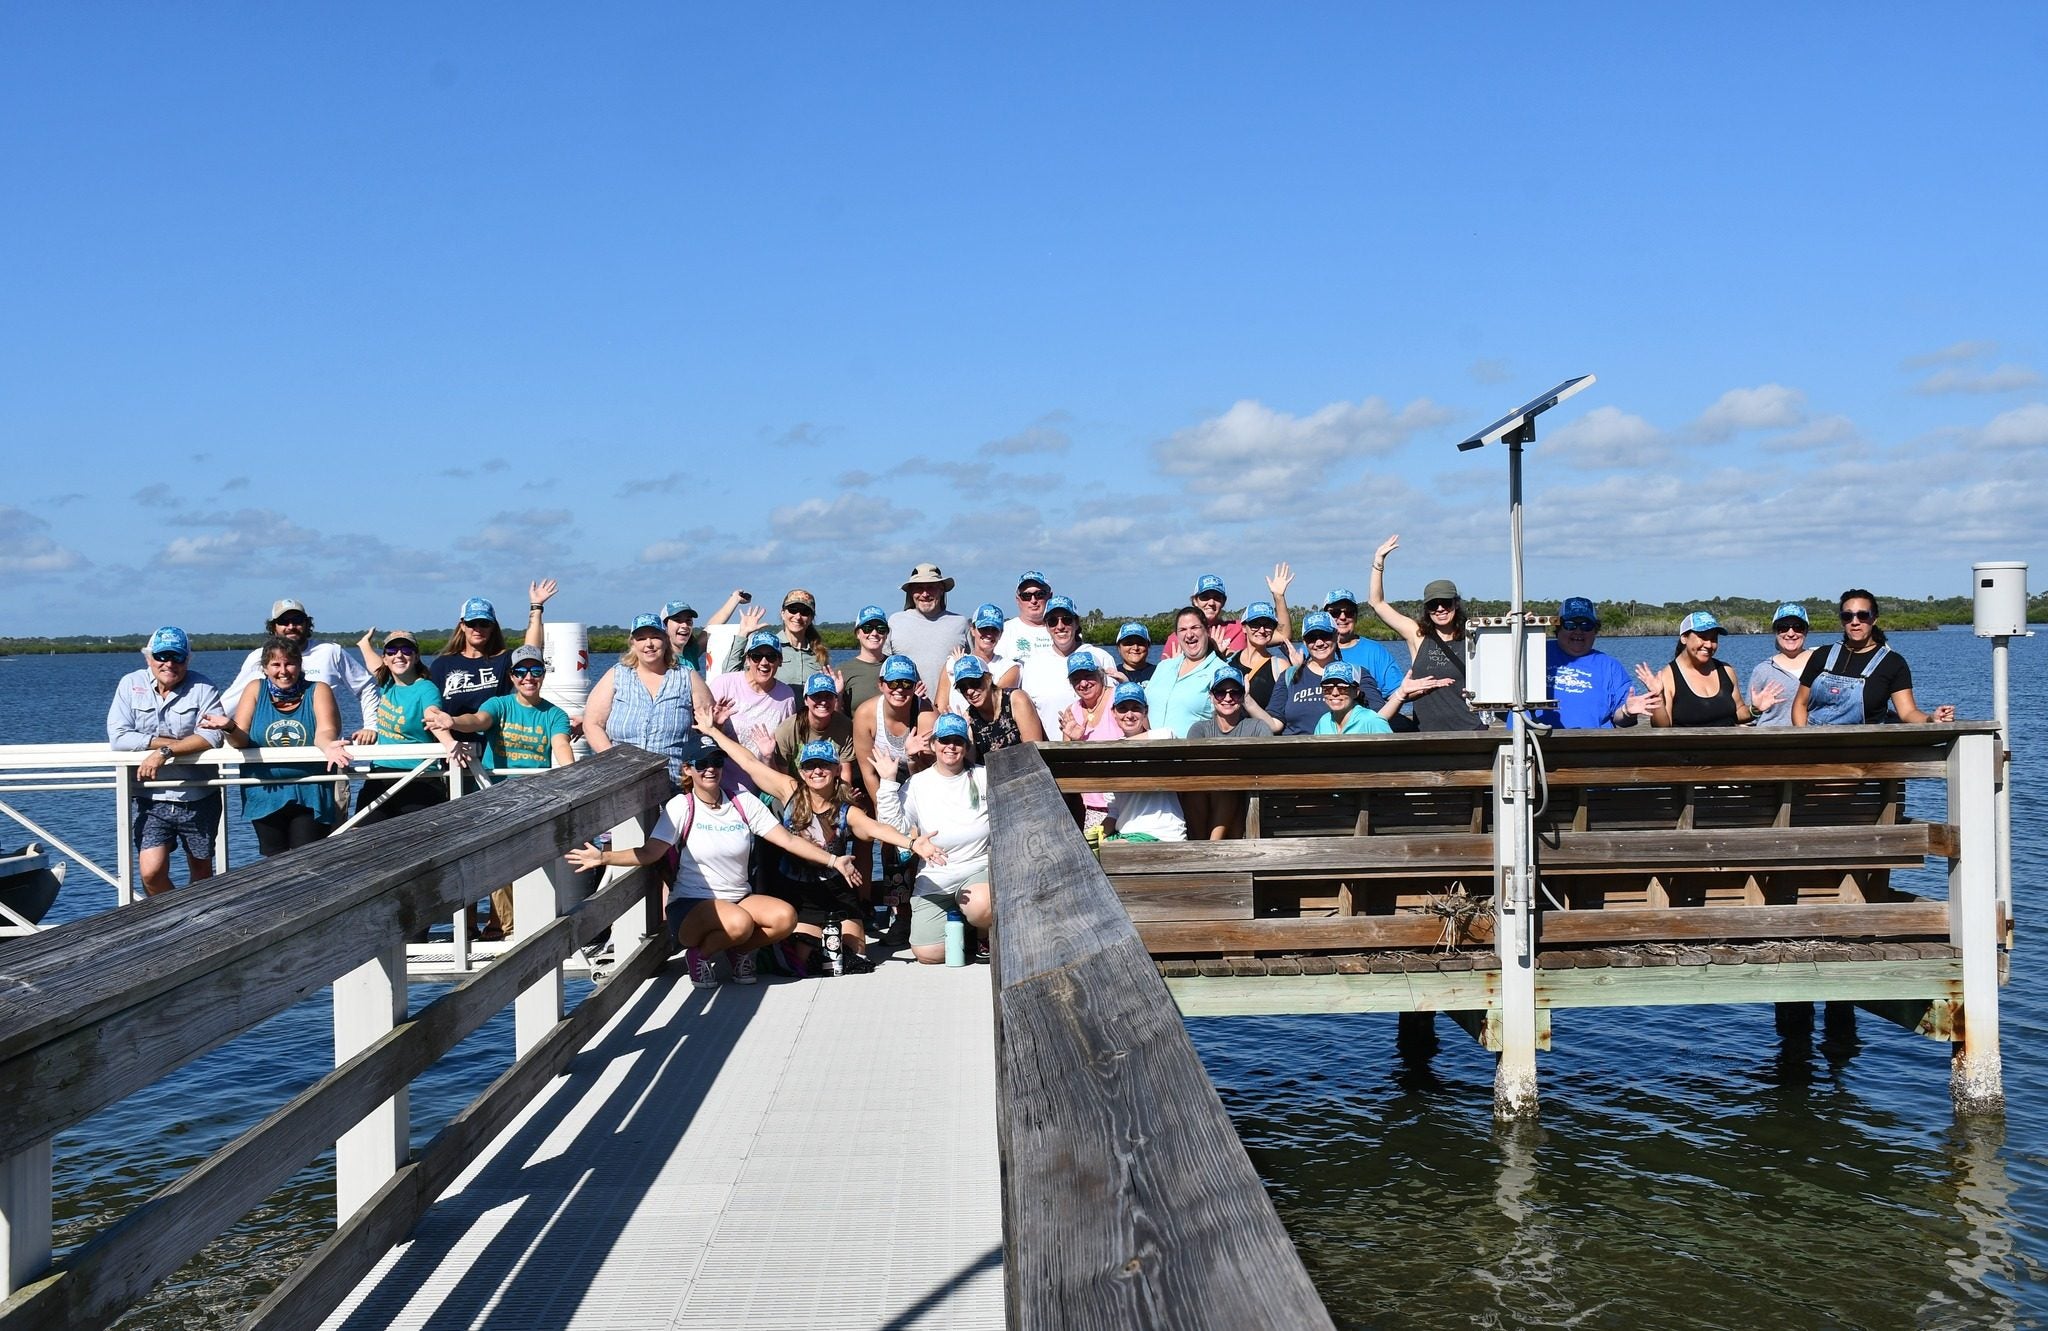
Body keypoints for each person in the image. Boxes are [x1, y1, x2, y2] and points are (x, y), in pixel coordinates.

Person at [566, 735, 857, 988]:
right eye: (702, 763)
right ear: (687, 769)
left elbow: (789, 840)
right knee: (740, 923)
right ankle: (699, 956)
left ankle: (738, 952)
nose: (710, 770)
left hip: (738, 900)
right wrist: (604, 857)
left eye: (716, 762)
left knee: (785, 918)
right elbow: (651, 852)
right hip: (692, 905)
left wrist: (834, 860)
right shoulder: (681, 806)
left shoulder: (742, 802)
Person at [698, 726, 944, 975]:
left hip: (835, 890)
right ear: (802, 772)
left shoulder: (847, 811)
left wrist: (912, 843)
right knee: (808, 956)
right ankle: (774, 952)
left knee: (853, 952)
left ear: (837, 770)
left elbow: (876, 828)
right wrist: (713, 731)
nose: (817, 771)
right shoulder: (790, 791)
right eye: (810, 766)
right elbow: (749, 763)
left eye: (824, 765)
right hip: (798, 891)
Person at [432, 644, 574, 939]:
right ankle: (503, 928)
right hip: (495, 800)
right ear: (512, 676)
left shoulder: (555, 714)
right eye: (521, 672)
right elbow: (478, 721)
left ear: (543, 675)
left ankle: (517, 926)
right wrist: (453, 721)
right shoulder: (498, 705)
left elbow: (561, 745)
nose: (528, 677)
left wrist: (573, 777)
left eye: (535, 671)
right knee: (494, 864)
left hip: (535, 801)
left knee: (530, 864)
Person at [108, 627, 227, 895]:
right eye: (162, 656)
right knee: (150, 872)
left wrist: (164, 753)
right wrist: (172, 743)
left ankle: (198, 924)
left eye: (177, 657)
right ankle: (177, 918)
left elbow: (213, 737)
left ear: (188, 659)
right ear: (148, 657)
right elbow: (118, 737)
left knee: (202, 871)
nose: (169, 664)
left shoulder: (203, 687)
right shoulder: (130, 684)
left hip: (199, 794)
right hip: (150, 796)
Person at [874, 713, 993, 964]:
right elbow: (893, 827)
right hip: (935, 880)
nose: (951, 746)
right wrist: (887, 781)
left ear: (966, 747)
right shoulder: (918, 783)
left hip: (976, 871)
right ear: (933, 744)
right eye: (944, 740)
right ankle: (963, 925)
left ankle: (983, 932)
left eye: (958, 741)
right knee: (928, 954)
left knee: (981, 905)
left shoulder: (985, 777)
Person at [221, 635, 350, 856]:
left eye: (290, 663)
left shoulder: (318, 690)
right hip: (264, 791)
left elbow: (325, 730)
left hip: (309, 789)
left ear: (300, 665)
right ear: (265, 668)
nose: (283, 670)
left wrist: (329, 746)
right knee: (274, 861)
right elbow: (240, 739)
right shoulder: (254, 689)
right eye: (276, 664)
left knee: (306, 857)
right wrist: (229, 728)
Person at [1367, 536, 1483, 731]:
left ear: (1456, 603)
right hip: (1426, 734)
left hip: (1470, 730)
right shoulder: (1418, 635)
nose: (1440, 609)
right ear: (1426, 608)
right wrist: (1378, 562)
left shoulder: (1473, 637)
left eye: (1445, 603)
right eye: (1433, 605)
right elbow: (1377, 603)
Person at [584, 613, 712, 788]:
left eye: (655, 637)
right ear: (633, 643)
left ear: (666, 640)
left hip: (674, 785)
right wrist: (614, 762)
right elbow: (592, 723)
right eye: (641, 638)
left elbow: (708, 727)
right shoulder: (617, 674)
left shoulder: (687, 676)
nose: (649, 644)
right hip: (621, 784)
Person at [430, 584, 558, 758]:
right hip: (456, 753)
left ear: (493, 627)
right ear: (462, 625)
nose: (478, 628)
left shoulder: (503, 660)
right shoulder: (442, 664)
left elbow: (530, 651)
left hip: (494, 752)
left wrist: (536, 608)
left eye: (484, 623)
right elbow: (432, 710)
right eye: (472, 623)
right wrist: (448, 742)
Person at [225, 598, 380, 741]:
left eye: (297, 620)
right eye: (284, 621)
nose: (291, 627)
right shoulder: (258, 657)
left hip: (327, 751)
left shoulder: (330, 652)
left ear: (307, 623)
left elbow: (367, 686)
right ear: (273, 627)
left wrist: (371, 727)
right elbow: (230, 703)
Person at [351, 629, 462, 828]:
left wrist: (449, 743)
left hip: (418, 776)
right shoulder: (387, 683)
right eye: (392, 651)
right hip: (381, 774)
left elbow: (432, 715)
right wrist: (364, 644)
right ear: (385, 658)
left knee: (420, 841)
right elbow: (373, 664)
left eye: (406, 650)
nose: (399, 655)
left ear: (417, 656)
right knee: (361, 837)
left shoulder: (426, 688)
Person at [1793, 590, 1955, 726]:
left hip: (1864, 750)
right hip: (1816, 747)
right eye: (1847, 616)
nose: (1855, 622)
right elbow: (1800, 704)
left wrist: (1931, 719)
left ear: (1874, 618)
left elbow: (1908, 712)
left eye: (1863, 615)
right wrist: (1803, 740)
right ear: (1842, 620)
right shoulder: (1822, 655)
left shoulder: (1893, 663)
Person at [1183, 665, 1283, 840]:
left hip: (1245, 802)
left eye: (1235, 692)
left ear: (1243, 695)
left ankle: (1212, 845)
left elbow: (1267, 764)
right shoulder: (1199, 729)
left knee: (1227, 786)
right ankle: (1200, 844)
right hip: (1204, 797)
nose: (1228, 698)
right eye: (1220, 692)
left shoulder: (1257, 727)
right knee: (1196, 789)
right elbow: (1194, 770)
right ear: (1211, 696)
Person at [1635, 612, 1781, 727]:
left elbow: (1738, 712)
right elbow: (1662, 727)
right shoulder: (1668, 676)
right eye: (1702, 637)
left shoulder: (1726, 670)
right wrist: (1657, 698)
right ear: (1684, 638)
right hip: (1688, 759)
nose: (1709, 644)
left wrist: (1755, 710)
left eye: (1713, 639)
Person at [1530, 598, 1655, 729]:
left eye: (1586, 625)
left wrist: (1627, 711)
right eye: (1570, 625)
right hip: (1531, 743)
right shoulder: (1533, 653)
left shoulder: (1610, 667)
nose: (1578, 631)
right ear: (1558, 628)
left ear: (1595, 630)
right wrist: (1511, 630)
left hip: (1592, 744)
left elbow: (1621, 719)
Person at [1017, 595, 1119, 737]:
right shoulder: (1033, 665)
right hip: (1051, 753)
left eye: (1066, 619)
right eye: (1053, 621)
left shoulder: (1101, 657)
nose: (1060, 626)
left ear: (1076, 623)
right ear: (1046, 626)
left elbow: (1117, 706)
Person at [710, 630, 799, 794]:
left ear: (780, 661)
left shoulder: (787, 696)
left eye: (771, 656)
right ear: (747, 659)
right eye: (756, 656)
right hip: (720, 787)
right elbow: (704, 741)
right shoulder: (723, 684)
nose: (764, 662)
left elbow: (784, 752)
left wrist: (767, 757)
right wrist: (716, 725)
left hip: (763, 789)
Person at [1098, 684, 1187, 844]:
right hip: (1125, 834)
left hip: (1162, 834)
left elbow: (1168, 735)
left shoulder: (1159, 738)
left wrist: (1115, 747)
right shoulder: (1111, 754)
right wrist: (1097, 834)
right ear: (1114, 713)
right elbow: (1114, 811)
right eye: (1123, 708)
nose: (1129, 714)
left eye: (1136, 708)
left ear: (1145, 711)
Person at [1058, 652, 1125, 831]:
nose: (1083, 683)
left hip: (1127, 798)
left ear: (1100, 674)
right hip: (1093, 805)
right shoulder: (1072, 711)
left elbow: (1144, 732)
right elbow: (1066, 765)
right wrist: (1075, 742)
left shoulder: (1119, 697)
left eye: (1088, 675)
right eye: (1076, 679)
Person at [852, 654, 935, 799]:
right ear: (881, 684)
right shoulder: (865, 714)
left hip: (920, 783)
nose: (900, 689)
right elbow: (869, 773)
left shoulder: (928, 716)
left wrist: (913, 758)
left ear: (915, 686)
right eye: (893, 683)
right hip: (884, 781)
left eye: (907, 683)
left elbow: (930, 776)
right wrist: (882, 809)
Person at [720, 588, 830, 689]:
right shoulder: (766, 648)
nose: (798, 616)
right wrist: (743, 633)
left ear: (811, 618)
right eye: (793, 610)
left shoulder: (819, 653)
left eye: (805, 612)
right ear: (783, 614)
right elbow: (729, 675)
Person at [888, 562, 971, 694]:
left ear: (942, 589)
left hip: (951, 710)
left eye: (931, 587)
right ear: (911, 592)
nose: (925, 594)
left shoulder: (960, 623)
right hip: (907, 708)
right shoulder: (895, 622)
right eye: (919, 588)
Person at [1144, 606, 1228, 737]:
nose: (1189, 634)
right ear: (1176, 636)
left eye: (1195, 628)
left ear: (1207, 631)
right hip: (1150, 753)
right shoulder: (1163, 667)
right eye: (1183, 630)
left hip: (1191, 753)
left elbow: (1227, 722)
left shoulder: (1221, 671)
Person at [946, 654, 1046, 760]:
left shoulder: (1016, 700)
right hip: (989, 774)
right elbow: (971, 765)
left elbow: (1034, 752)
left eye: (975, 683)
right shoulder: (969, 719)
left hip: (1026, 770)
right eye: (963, 687)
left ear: (988, 679)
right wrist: (961, 734)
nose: (969, 691)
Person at [1322, 585, 1406, 702]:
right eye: (1335, 613)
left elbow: (1395, 692)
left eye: (1349, 612)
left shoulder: (1375, 651)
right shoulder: (1312, 650)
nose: (1342, 617)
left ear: (1356, 616)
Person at [773, 671, 856, 785]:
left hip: (831, 788)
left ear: (835, 699)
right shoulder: (787, 730)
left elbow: (845, 774)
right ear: (806, 700)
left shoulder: (845, 726)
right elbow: (783, 778)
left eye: (828, 696)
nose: (823, 701)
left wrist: (845, 796)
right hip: (796, 789)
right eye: (816, 696)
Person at [1750, 602, 1815, 727]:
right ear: (1775, 631)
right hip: (1772, 740)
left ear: (1806, 631)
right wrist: (1755, 709)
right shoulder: (1762, 670)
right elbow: (1749, 717)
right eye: (1783, 627)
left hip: (1812, 740)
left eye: (1798, 627)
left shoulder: (1821, 662)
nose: (1790, 633)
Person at [664, 592, 748, 676]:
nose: (685, 625)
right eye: (677, 620)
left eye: (688, 620)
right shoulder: (659, 657)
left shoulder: (690, 653)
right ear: (664, 626)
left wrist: (735, 599)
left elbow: (712, 627)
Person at [994, 570, 1056, 668]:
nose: (1033, 600)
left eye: (1039, 594)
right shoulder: (1004, 632)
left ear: (1050, 596)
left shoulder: (1064, 629)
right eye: (1026, 596)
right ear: (1017, 600)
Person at [841, 604, 893, 717]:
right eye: (867, 628)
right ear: (857, 633)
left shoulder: (900, 667)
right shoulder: (841, 672)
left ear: (886, 634)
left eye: (881, 629)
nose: (874, 633)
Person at [1314, 662, 1392, 734]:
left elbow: (1392, 748)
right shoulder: (1324, 721)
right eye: (1328, 688)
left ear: (1356, 692)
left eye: (1342, 688)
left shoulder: (1372, 720)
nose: (1334, 693)